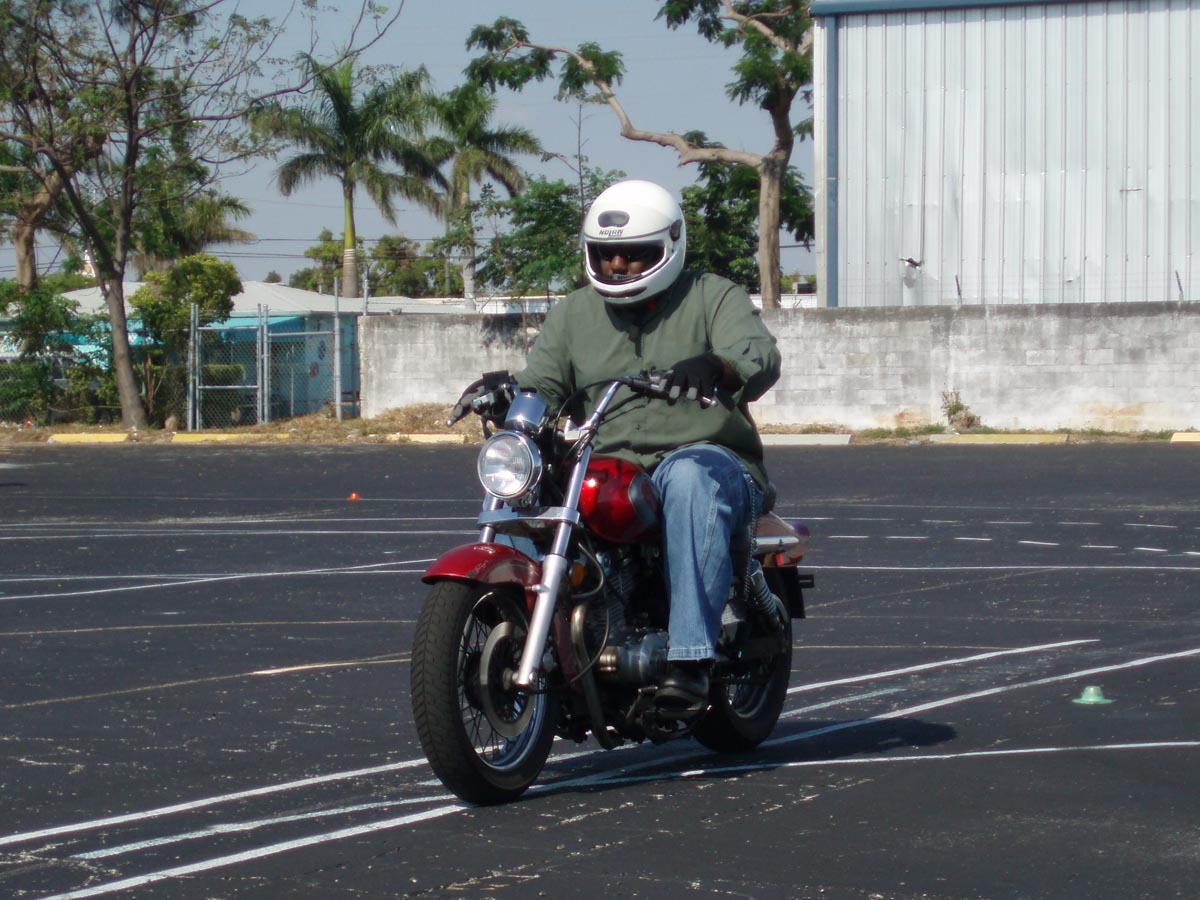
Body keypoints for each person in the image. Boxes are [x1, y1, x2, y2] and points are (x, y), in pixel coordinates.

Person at [456, 179, 781, 716]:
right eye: (607, 254)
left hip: (708, 457)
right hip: (608, 462)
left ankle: (690, 660)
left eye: (636, 253)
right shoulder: (574, 313)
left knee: (688, 479)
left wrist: (716, 365)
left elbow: (757, 355)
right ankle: (550, 634)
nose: (619, 265)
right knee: (542, 484)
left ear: (670, 244)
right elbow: (543, 383)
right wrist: (509, 393)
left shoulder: (712, 295)